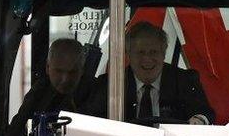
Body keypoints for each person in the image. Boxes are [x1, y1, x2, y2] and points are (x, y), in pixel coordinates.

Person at [85, 21, 215, 126]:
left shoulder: (184, 81)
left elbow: (205, 113)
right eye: (140, 52)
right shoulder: (110, 84)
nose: (147, 59)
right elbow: (91, 121)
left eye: (153, 52)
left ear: (163, 54)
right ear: (128, 54)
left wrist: (199, 120)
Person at [5, 38, 86, 136]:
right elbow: (15, 133)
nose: (65, 79)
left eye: (72, 72)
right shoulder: (39, 93)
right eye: (59, 71)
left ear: (82, 70)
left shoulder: (94, 92)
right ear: (48, 68)